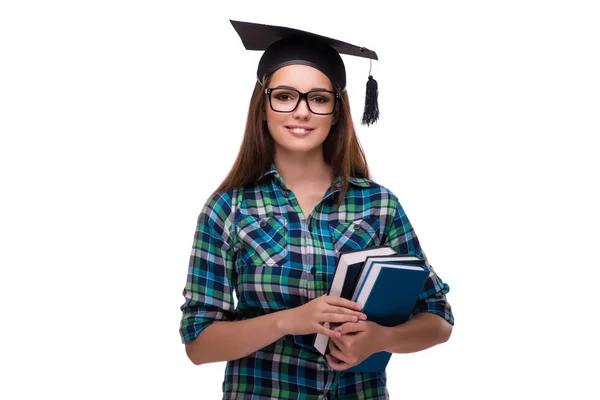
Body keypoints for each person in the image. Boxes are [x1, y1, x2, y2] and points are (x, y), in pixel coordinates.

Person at [179, 19, 454, 399]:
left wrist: (381, 339)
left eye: (319, 99)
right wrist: (290, 320)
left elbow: (438, 318)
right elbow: (199, 343)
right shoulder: (228, 208)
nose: (302, 112)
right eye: (285, 96)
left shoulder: (378, 205)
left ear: (336, 112)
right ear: (263, 107)